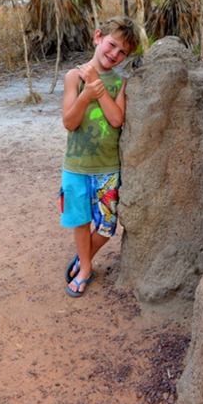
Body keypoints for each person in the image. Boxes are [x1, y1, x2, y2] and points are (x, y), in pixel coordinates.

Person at [59, 16, 142, 297]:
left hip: (108, 168)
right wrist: (85, 95)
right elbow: (69, 123)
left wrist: (99, 86)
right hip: (76, 167)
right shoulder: (74, 76)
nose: (115, 55)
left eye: (123, 53)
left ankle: (83, 260)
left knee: (107, 226)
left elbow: (117, 119)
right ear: (98, 37)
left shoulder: (121, 83)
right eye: (112, 45)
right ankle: (85, 270)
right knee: (81, 221)